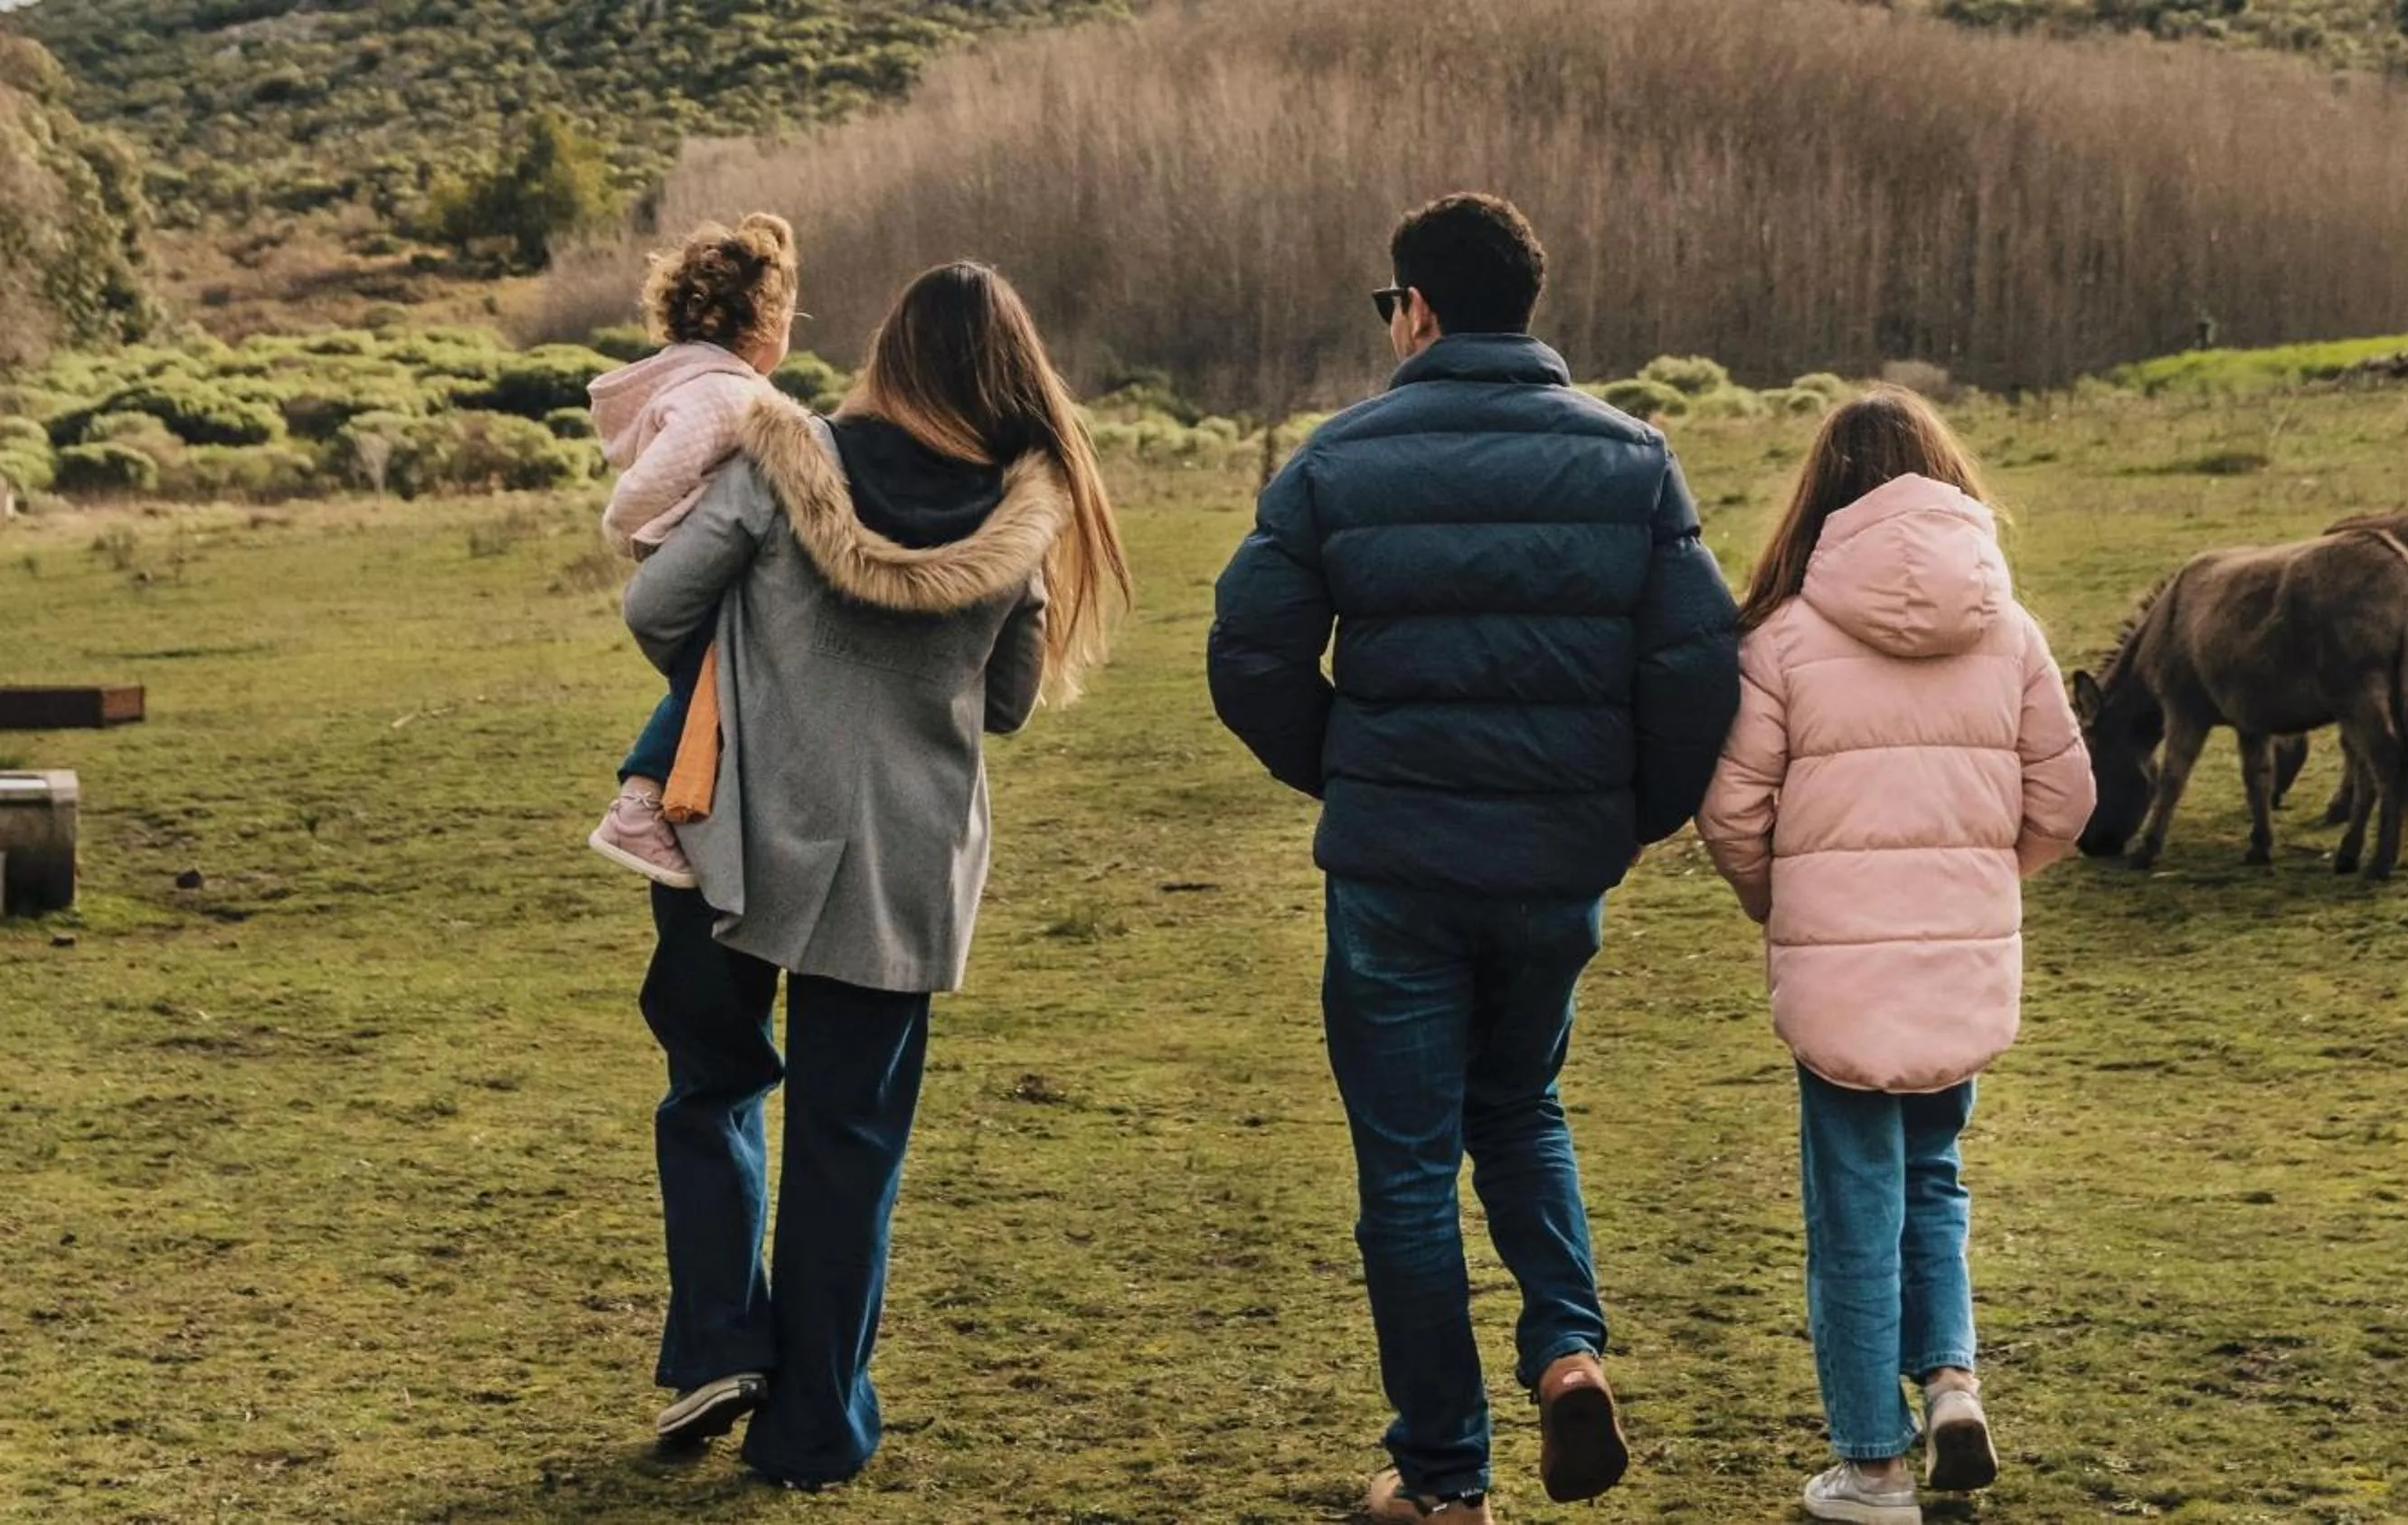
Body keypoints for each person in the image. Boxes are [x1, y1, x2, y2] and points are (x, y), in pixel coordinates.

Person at [1208, 193, 1742, 1522]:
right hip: (1554, 864)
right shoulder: (1635, 458)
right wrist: (1626, 817)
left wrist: (1349, 769)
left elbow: (1250, 655)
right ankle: (1567, 1349)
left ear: (1419, 307)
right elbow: (1695, 669)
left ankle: (1446, 1478)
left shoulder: (1339, 458)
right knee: (1521, 1106)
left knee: (1404, 1166)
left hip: (1397, 869)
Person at [619, 260, 1131, 1490]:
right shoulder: (1026, 520)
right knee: (851, 1145)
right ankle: (814, 1429)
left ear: (891, 354)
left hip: (735, 829)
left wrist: (757, 659)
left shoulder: (775, 464)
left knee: (711, 1083)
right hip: (904, 863)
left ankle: (722, 1340)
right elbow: (1004, 707)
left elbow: (655, 608)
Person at [1692, 387, 2095, 1525]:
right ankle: (1952, 1384)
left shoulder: (1780, 638)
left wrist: (1788, 901)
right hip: (1958, 964)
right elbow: (2068, 800)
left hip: (1839, 973)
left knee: (1852, 1209)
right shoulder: (2010, 633)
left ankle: (1870, 1465)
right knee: (1935, 1179)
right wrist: (1978, 884)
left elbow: (1731, 813)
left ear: (1823, 495)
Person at [587, 213, 802, 890]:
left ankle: (669, 795)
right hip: (696, 559)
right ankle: (639, 804)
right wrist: (625, 523)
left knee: (708, 681)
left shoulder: (704, 383)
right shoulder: (725, 395)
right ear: (767, 326)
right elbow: (654, 479)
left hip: (690, 553)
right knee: (712, 671)